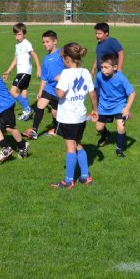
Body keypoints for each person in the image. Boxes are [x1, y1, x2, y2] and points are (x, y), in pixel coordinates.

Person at [50, 42, 98, 188]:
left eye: (62, 58)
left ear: (68, 59)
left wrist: (57, 81)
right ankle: (85, 177)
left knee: (70, 147)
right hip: (81, 116)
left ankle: (69, 180)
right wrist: (95, 109)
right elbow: (92, 93)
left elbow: (60, 94)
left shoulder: (65, 74)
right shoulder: (85, 72)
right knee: (78, 144)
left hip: (69, 117)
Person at [23, 30, 65, 139]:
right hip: (49, 88)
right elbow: (44, 78)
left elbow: (70, 66)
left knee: (54, 113)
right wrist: (40, 91)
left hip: (60, 89)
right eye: (43, 42)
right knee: (40, 105)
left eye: (47, 42)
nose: (45, 44)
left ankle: (57, 129)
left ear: (55, 41)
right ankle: (34, 131)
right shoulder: (46, 58)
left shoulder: (61, 53)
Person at [94, 54, 136, 157]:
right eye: (102, 67)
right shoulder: (99, 76)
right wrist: (95, 107)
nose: (103, 70)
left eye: (106, 67)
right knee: (99, 128)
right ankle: (106, 134)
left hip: (119, 105)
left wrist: (127, 108)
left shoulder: (121, 78)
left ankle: (119, 149)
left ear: (115, 67)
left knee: (121, 127)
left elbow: (132, 93)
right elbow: (95, 90)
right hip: (104, 105)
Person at [2, 23, 41, 121]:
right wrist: (8, 71)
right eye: (15, 34)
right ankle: (26, 113)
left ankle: (28, 109)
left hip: (25, 71)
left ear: (24, 34)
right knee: (23, 92)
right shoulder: (17, 45)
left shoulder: (26, 43)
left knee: (12, 91)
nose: (17, 36)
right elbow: (15, 59)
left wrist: (39, 68)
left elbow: (34, 54)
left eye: (19, 34)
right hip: (21, 72)